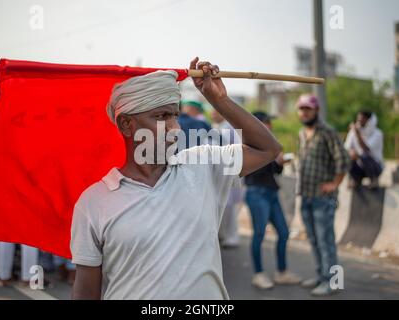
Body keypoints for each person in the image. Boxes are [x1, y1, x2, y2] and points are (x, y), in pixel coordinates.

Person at [70, 58, 282, 300]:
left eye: (175, 116)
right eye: (161, 116)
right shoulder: (93, 202)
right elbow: (86, 292)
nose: (175, 129)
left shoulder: (203, 165)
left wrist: (219, 99)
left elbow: (268, 149)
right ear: (127, 124)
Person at [296, 94, 350, 296]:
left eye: (308, 109)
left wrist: (335, 183)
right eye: (301, 109)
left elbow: (343, 160)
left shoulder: (328, 132)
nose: (304, 112)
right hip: (306, 195)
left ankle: (334, 282)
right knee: (314, 240)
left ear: (316, 110)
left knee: (326, 241)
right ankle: (321, 277)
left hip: (322, 198)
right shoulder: (302, 133)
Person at [244, 112, 301, 289]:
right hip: (257, 193)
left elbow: (274, 171)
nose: (271, 126)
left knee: (283, 233)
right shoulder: (248, 144)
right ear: (258, 124)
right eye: (268, 122)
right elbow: (251, 171)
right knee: (259, 234)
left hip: (271, 192)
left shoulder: (269, 145)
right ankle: (258, 274)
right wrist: (271, 154)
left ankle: (281, 272)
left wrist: (279, 162)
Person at [211, 109, 242, 248]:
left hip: (229, 172)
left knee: (229, 208)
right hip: (222, 172)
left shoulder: (228, 129)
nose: (212, 114)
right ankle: (224, 235)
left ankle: (232, 236)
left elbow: (235, 150)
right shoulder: (219, 127)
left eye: (215, 112)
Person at [344, 111, 384, 188]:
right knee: (348, 157)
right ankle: (355, 179)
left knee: (364, 156)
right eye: (358, 120)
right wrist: (350, 153)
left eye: (361, 120)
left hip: (375, 167)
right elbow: (346, 148)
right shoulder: (353, 132)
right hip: (360, 167)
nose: (359, 122)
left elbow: (366, 149)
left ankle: (374, 180)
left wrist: (357, 134)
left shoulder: (377, 134)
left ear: (368, 121)